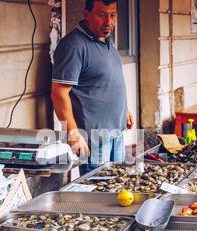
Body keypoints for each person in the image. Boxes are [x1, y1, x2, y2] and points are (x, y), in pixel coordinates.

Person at [50, 0, 134, 174]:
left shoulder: (107, 40)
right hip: (94, 140)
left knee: (117, 188)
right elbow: (59, 94)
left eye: (113, 15)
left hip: (116, 133)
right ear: (87, 15)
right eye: (101, 15)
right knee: (99, 193)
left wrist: (123, 110)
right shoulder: (73, 46)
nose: (108, 22)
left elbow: (107, 79)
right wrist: (73, 133)